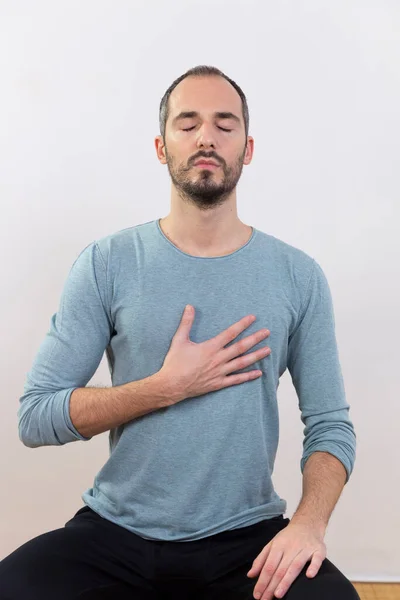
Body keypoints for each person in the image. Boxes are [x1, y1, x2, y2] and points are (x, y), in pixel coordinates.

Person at [0, 65, 360, 600]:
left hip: (246, 541)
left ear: (248, 146)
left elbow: (331, 426)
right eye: (187, 123)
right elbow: (35, 417)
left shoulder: (297, 275)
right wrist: (165, 387)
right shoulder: (107, 263)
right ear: (161, 146)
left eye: (225, 124)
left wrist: (307, 526)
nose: (207, 137)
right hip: (114, 534)